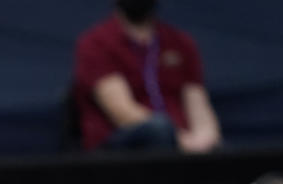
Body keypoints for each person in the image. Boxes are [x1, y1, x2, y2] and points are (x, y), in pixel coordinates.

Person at [73, 0, 221, 152]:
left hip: (184, 144)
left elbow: (197, 103)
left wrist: (206, 137)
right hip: (121, 147)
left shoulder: (180, 42)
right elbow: (122, 111)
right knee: (158, 130)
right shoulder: (96, 43)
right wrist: (182, 141)